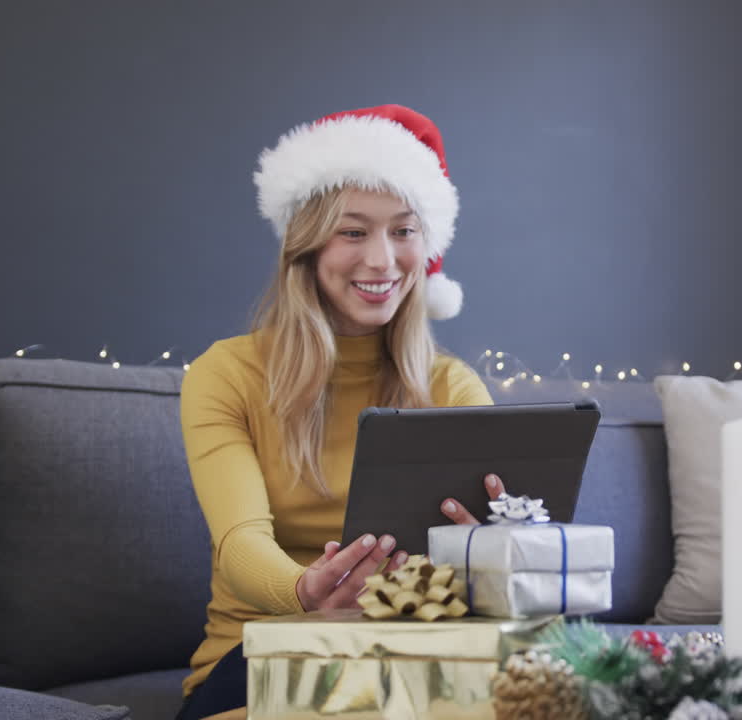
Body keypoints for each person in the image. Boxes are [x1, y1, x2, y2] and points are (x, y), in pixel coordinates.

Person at [175, 104, 501, 720]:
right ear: (306, 245)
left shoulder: (453, 387)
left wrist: (494, 548)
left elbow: (489, 574)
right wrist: (304, 591)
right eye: (353, 232)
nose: (382, 260)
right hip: (262, 657)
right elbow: (240, 542)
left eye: (403, 231)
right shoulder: (228, 374)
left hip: (411, 657)